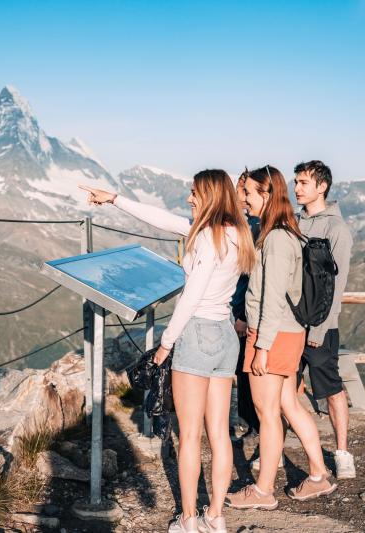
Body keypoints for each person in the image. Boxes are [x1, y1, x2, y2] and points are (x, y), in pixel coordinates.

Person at [80, 170, 255, 533]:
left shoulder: (206, 239)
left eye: (193, 193)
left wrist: (165, 344)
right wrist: (114, 199)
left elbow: (191, 297)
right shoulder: (237, 233)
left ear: (208, 195)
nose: (189, 199)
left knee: (189, 435)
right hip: (225, 334)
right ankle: (216, 517)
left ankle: (189, 519)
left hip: (197, 334)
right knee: (219, 433)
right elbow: (164, 221)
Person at [225, 165, 336, 511]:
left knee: (267, 412)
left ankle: (263, 490)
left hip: (271, 335)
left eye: (248, 193)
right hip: (289, 333)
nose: (242, 199)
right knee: (288, 404)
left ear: (267, 195)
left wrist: (261, 347)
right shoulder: (287, 233)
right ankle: (318, 475)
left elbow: (271, 298)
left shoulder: (274, 239)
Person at [293, 160, 355, 479]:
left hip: (320, 328)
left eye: (304, 183)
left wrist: (319, 328)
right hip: (291, 325)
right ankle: (272, 448)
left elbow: (337, 284)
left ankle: (343, 453)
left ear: (322, 187)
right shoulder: (293, 223)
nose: (297, 188)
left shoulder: (336, 229)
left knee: (331, 389)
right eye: (296, 182)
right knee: (284, 388)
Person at [230, 171, 261, 438]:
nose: (240, 196)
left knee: (246, 368)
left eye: (243, 190)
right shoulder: (247, 223)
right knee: (243, 368)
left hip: (245, 312)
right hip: (242, 308)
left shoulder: (254, 226)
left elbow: (249, 277)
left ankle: (252, 423)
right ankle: (249, 422)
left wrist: (241, 314)